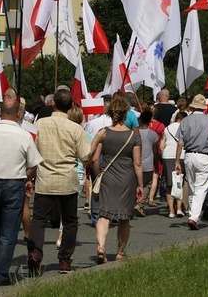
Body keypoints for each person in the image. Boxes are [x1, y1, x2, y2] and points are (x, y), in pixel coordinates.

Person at [27, 89, 90, 276]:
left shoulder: (39, 124)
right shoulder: (76, 128)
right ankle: (64, 260)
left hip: (45, 179)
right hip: (67, 180)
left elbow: (31, 152)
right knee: (70, 221)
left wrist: (29, 176)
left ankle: (35, 252)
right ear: (71, 106)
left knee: (38, 219)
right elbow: (85, 156)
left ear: (53, 103)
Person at [0, 99, 42, 286]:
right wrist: (26, 178)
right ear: (18, 114)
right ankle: (1, 273)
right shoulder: (24, 135)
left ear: (0, 113)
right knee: (9, 231)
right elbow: (34, 164)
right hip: (14, 183)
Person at [89, 96, 143, 263]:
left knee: (103, 214)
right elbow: (137, 163)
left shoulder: (103, 133)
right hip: (127, 179)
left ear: (111, 113)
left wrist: (99, 174)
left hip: (108, 176)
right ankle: (120, 251)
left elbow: (95, 159)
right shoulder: (133, 137)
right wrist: (140, 184)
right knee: (124, 217)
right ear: (126, 114)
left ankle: (101, 247)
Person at [174, 95, 208, 230]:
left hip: (189, 156)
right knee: (201, 187)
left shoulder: (185, 121)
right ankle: (194, 217)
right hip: (204, 156)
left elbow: (180, 143)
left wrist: (177, 161)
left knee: (192, 187)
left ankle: (193, 215)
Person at [161, 111, 187, 218]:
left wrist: (163, 156)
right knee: (179, 182)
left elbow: (161, 145)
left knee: (169, 184)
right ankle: (179, 209)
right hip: (181, 156)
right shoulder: (184, 128)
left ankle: (171, 210)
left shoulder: (167, 128)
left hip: (167, 156)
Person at [133, 110, 158, 217]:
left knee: (134, 184)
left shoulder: (134, 133)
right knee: (147, 184)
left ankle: (132, 203)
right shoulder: (153, 134)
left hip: (135, 162)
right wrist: (157, 160)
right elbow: (156, 150)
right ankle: (140, 204)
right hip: (148, 163)